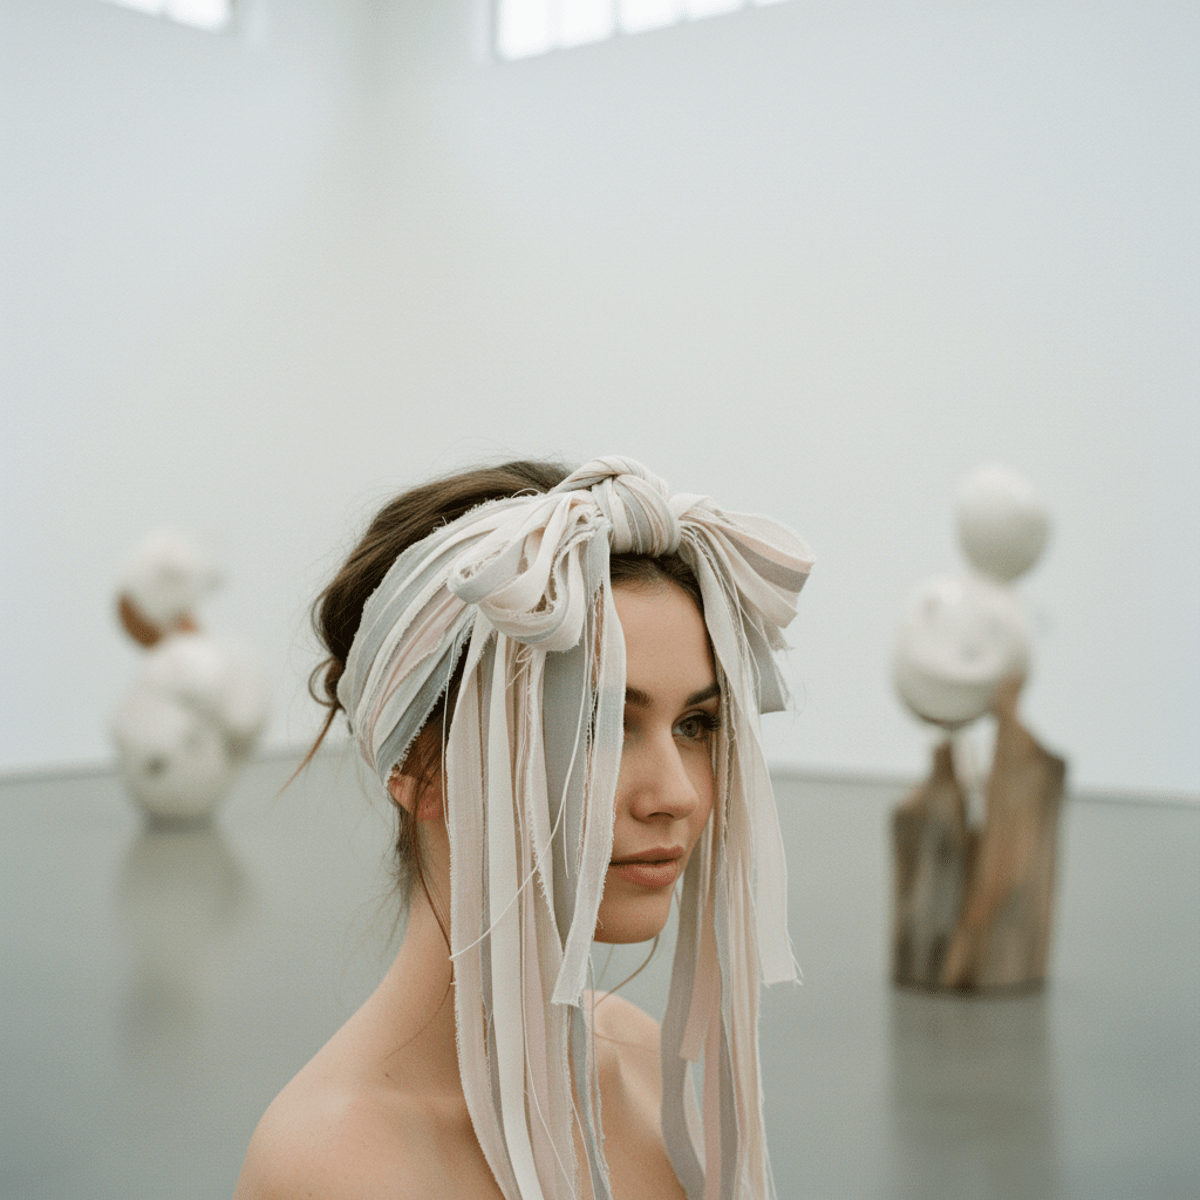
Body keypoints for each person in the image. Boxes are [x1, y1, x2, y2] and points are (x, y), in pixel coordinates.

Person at [234, 456, 814, 1200]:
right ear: (422, 770)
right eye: (597, 724)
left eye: (695, 724)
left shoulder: (636, 1061)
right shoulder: (339, 1166)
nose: (677, 795)